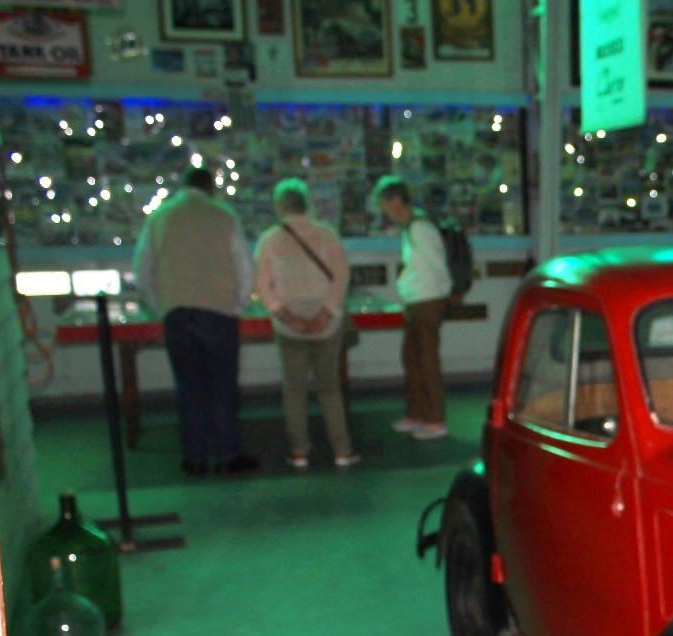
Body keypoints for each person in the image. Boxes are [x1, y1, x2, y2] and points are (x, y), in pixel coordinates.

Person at [134, 164, 258, 475]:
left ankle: (195, 457)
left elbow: (142, 268)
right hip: (218, 311)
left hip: (176, 312)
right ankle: (228, 454)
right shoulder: (223, 215)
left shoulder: (159, 217)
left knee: (189, 387)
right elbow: (244, 265)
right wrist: (238, 303)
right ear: (211, 188)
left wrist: (160, 304)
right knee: (223, 386)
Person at [254, 179, 361, 469]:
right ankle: (342, 449)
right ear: (307, 204)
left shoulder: (269, 239)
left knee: (294, 390)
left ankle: (299, 451)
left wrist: (290, 318)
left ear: (280, 207)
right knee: (329, 389)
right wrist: (325, 314)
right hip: (327, 325)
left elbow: (263, 286)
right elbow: (341, 277)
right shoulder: (327, 235)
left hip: (289, 326)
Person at [372, 176, 450, 440]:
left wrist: (417, 290)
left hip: (426, 301)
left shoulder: (419, 228)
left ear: (396, 200)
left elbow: (435, 266)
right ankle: (418, 414)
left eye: (384, 204)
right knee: (414, 359)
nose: (384, 211)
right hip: (419, 301)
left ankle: (435, 419)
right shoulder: (412, 228)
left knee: (426, 361)